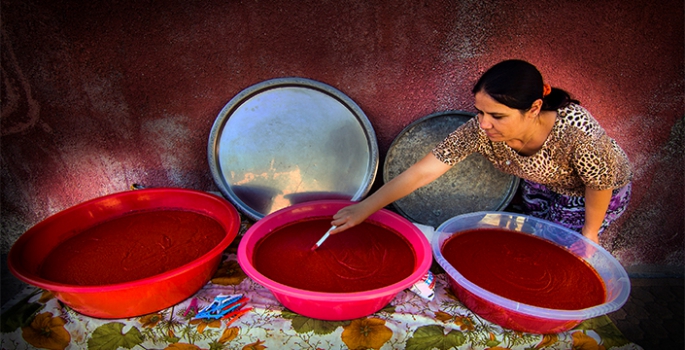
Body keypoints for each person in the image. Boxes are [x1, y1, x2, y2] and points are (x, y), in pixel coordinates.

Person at [331, 59, 632, 244]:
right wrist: (365, 208)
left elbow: (600, 182)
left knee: (565, 244)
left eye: (497, 116)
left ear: (534, 109)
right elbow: (425, 170)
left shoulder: (578, 133)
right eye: (480, 111)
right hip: (543, 180)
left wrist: (590, 233)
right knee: (537, 233)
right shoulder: (480, 129)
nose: (484, 124)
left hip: (593, 192)